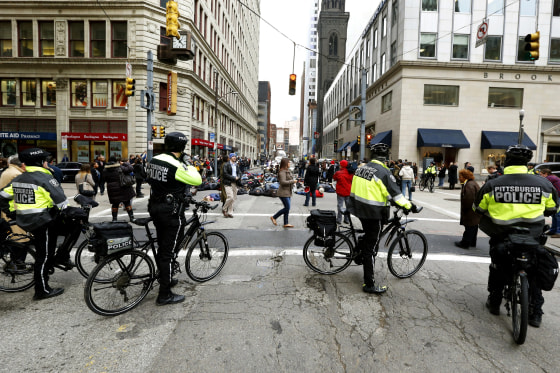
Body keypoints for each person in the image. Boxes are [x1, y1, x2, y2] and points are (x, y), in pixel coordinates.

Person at [474, 145, 558, 327]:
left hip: (502, 235)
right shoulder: (544, 184)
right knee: (533, 271)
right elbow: (553, 209)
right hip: (532, 236)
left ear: (507, 162)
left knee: (498, 267)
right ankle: (535, 312)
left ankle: (495, 302)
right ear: (527, 163)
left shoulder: (493, 184)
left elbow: (478, 208)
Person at [0, 148, 68, 300]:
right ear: (41, 162)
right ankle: (41, 290)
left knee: (41, 253)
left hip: (25, 221)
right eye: (46, 161)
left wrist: (12, 213)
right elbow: (62, 202)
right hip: (43, 221)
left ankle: (43, 280)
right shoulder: (45, 178)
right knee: (44, 256)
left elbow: (2, 196)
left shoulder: (19, 178)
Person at [347, 143, 415, 294]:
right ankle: (369, 285)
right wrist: (409, 206)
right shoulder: (383, 172)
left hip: (359, 208)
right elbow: (396, 194)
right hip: (373, 213)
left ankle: (361, 247)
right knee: (370, 249)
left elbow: (373, 189)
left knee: (369, 237)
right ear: (386, 157)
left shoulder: (362, 168)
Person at [146, 132, 202, 305]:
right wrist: (187, 163)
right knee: (168, 253)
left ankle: (166, 275)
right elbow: (197, 180)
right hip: (171, 212)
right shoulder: (176, 165)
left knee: (163, 246)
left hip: (155, 207)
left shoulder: (154, 159)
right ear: (182, 147)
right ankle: (165, 293)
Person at [103, 156, 136, 222]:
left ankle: (114, 219)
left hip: (112, 188)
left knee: (115, 204)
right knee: (127, 202)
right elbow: (130, 168)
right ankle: (131, 217)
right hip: (123, 187)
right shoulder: (120, 168)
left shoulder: (105, 170)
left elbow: (103, 179)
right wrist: (124, 163)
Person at [455, 169, 480, 249]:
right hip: (474, 210)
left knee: (470, 226)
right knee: (474, 226)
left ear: (465, 177)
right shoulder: (472, 183)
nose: (459, 178)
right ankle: (472, 242)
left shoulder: (469, 185)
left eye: (460, 176)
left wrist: (465, 209)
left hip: (470, 211)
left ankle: (465, 243)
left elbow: (469, 199)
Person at [270, 158, 296, 228]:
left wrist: (293, 181)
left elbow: (289, 179)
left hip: (288, 192)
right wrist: (292, 181)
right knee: (287, 208)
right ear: (285, 163)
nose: (289, 164)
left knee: (287, 208)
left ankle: (286, 223)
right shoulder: (282, 172)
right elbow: (283, 182)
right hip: (283, 192)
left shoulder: (287, 171)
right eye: (288, 162)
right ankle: (274, 217)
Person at [538, 168, 560, 237]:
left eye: (541, 174)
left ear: (546, 174)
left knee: (557, 215)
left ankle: (558, 232)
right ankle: (553, 230)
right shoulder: (552, 177)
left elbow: (542, 186)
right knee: (554, 214)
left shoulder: (549, 178)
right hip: (557, 196)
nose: (540, 175)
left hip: (559, 196)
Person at [333, 159, 353, 225]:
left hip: (341, 192)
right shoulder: (350, 173)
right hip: (348, 191)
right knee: (348, 206)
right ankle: (347, 219)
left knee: (340, 206)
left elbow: (334, 178)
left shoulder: (338, 173)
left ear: (341, 165)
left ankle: (339, 219)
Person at [222, 153, 240, 218]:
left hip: (235, 183)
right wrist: (233, 177)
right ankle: (224, 209)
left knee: (234, 198)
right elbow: (225, 174)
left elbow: (239, 172)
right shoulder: (226, 165)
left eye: (235, 156)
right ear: (230, 158)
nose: (234, 157)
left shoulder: (236, 165)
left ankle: (230, 212)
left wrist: (238, 177)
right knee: (230, 197)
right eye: (233, 156)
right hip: (228, 183)